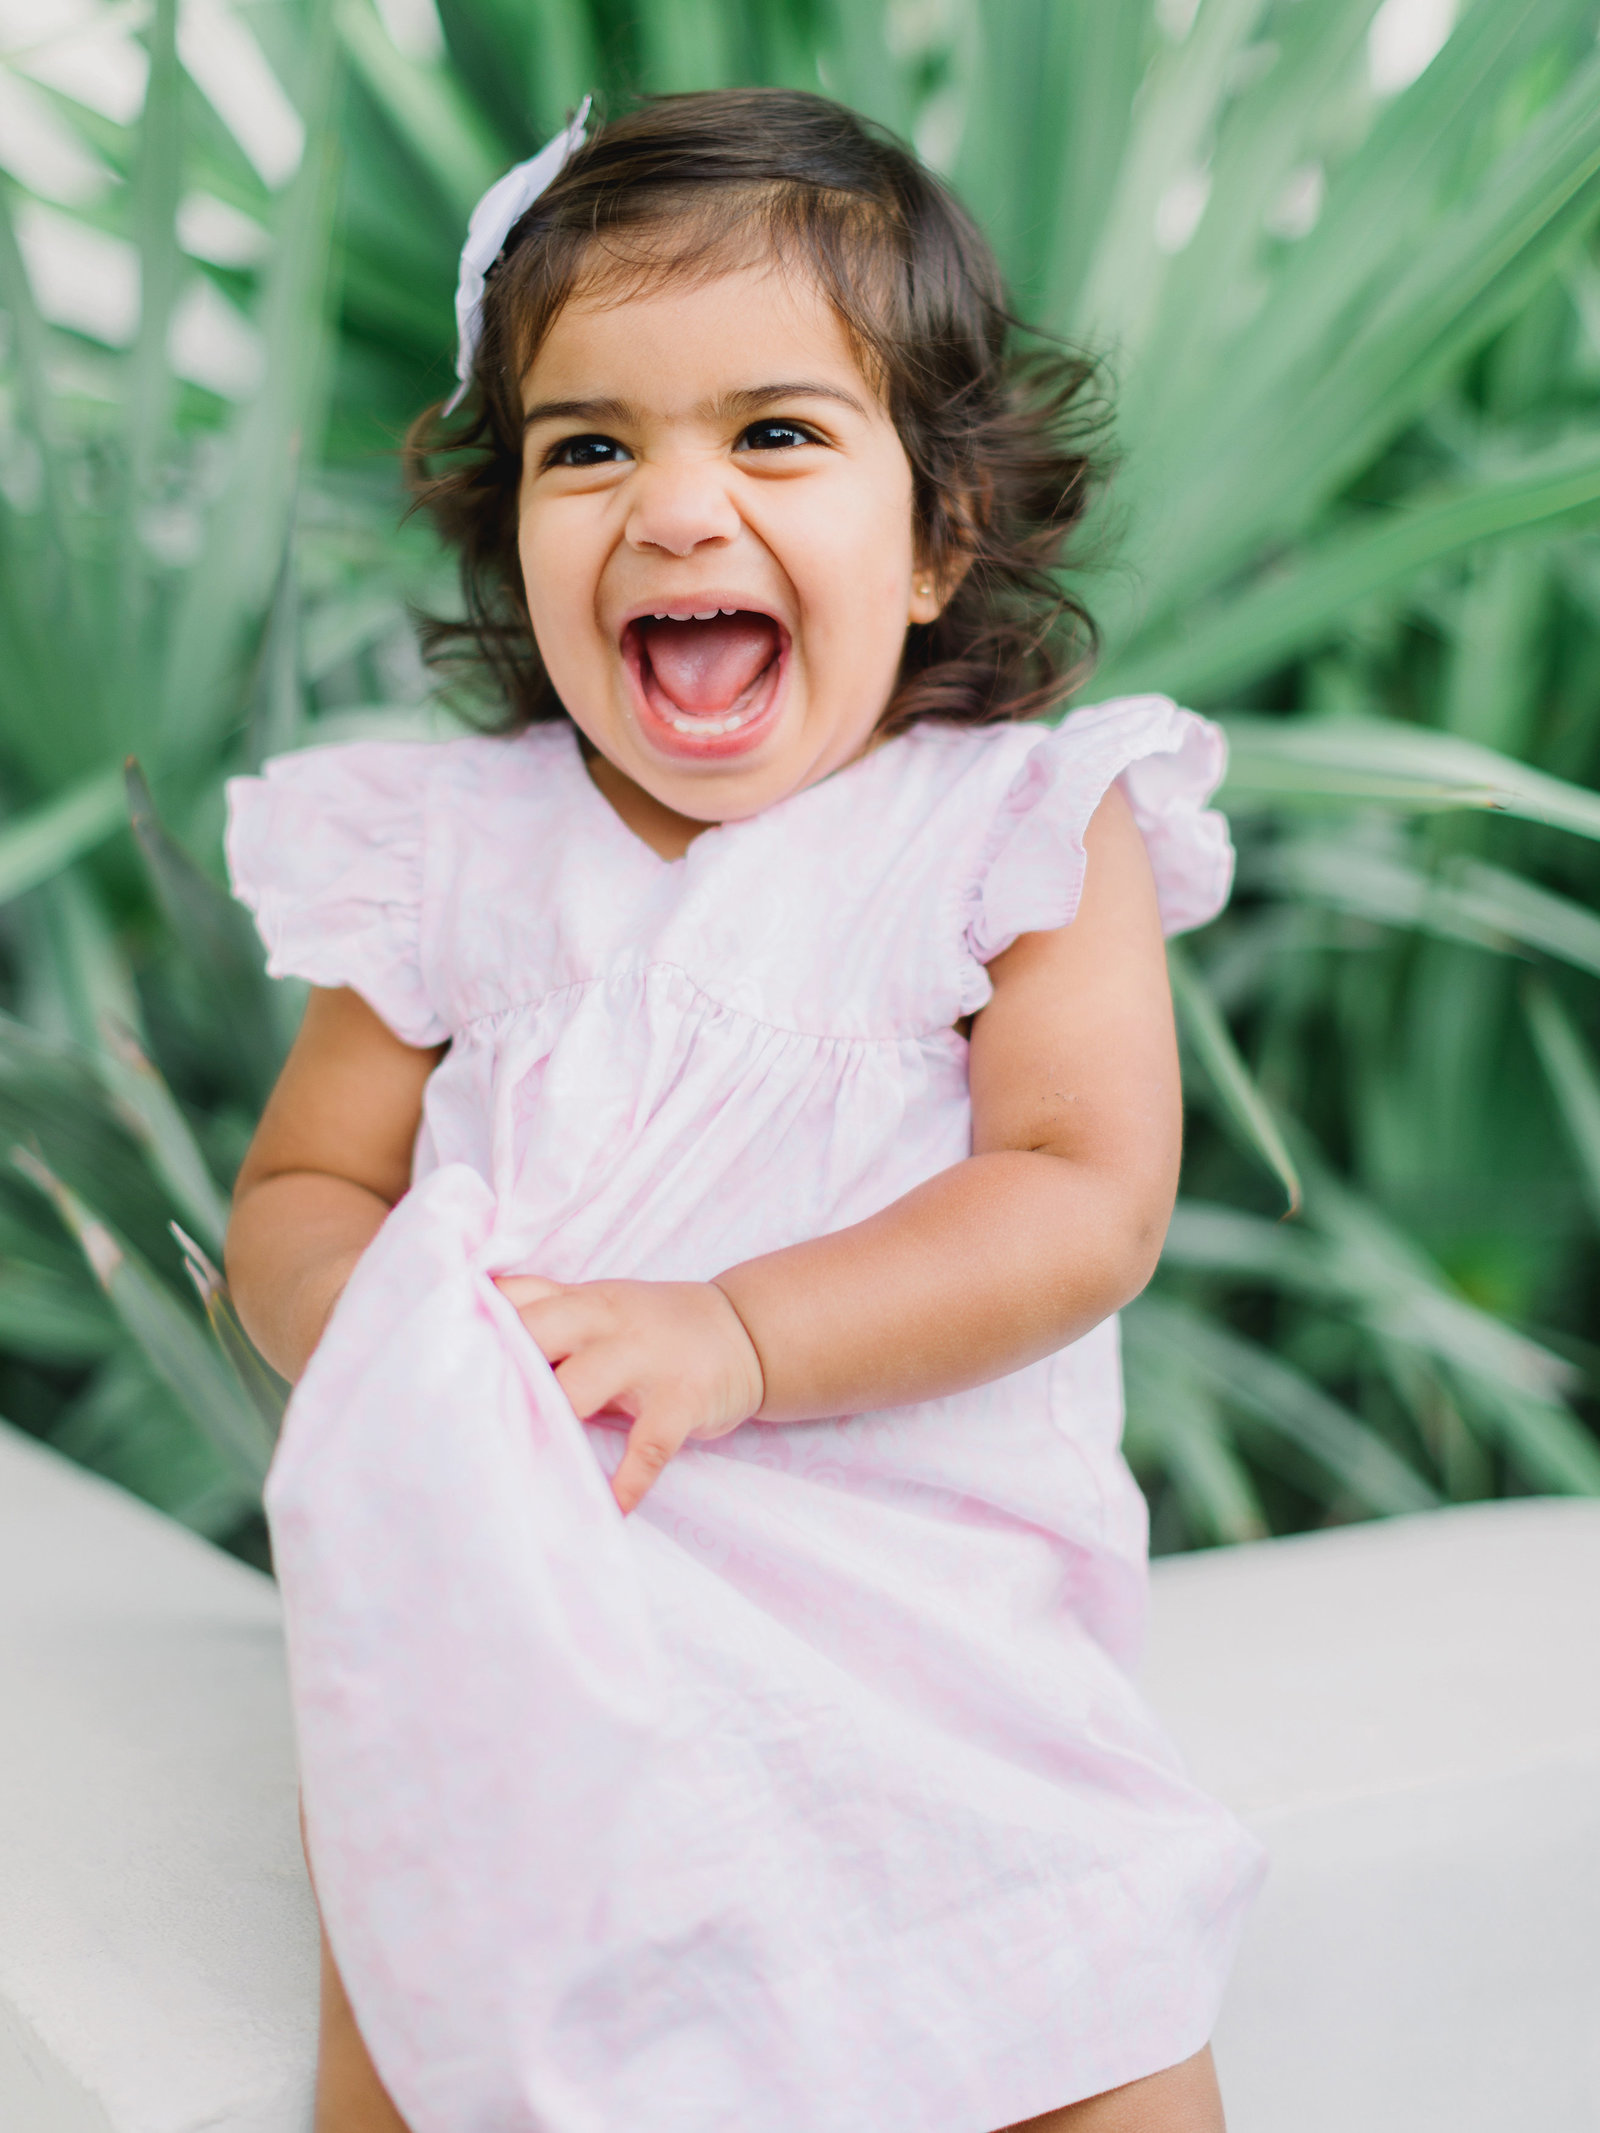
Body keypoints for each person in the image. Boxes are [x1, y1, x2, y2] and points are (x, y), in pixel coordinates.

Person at [224, 86, 1265, 2133]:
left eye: (772, 430)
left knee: (1079, 2010)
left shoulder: (1010, 827)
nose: (673, 506)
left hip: (927, 1658)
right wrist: (399, 1348)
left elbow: (1078, 1195)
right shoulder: (448, 851)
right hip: (531, 1613)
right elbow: (301, 1184)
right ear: (505, 518)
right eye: (586, 444)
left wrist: (739, 1331)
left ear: (937, 525)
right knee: (431, 1995)